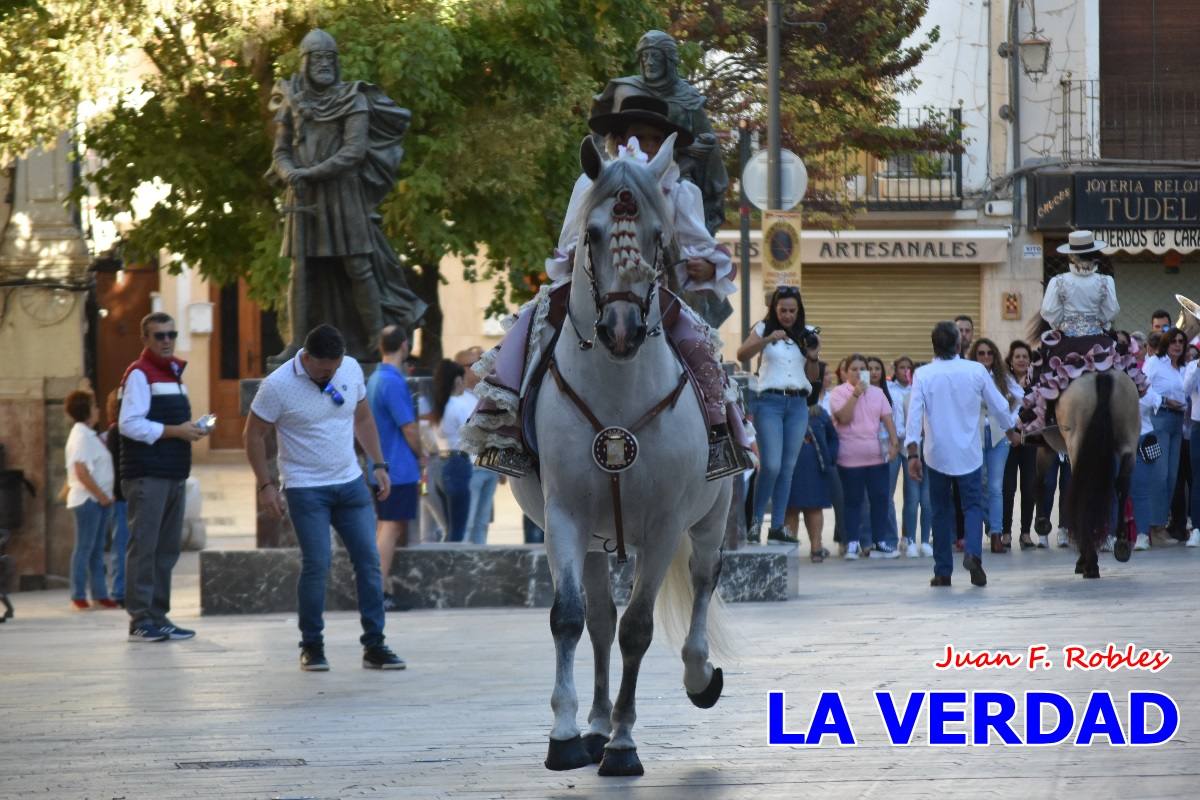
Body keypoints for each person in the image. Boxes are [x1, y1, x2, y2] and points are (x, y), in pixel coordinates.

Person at [465, 93, 747, 482]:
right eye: (638, 137)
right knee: (528, 327)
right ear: (619, 140)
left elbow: (697, 248)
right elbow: (567, 243)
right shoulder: (590, 182)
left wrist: (698, 266)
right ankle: (505, 430)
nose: (646, 146)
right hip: (589, 287)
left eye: (654, 139)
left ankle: (719, 437)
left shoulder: (682, 192)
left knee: (700, 346)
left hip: (655, 297)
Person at [245, 324, 405, 671]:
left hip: (350, 483)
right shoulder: (276, 386)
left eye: (334, 368)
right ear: (306, 357)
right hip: (305, 488)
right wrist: (266, 484)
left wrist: (378, 464)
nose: (329, 374)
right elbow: (254, 435)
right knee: (318, 563)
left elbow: (363, 418)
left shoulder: (348, 368)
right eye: (322, 369)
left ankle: (375, 644)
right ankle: (312, 645)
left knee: (369, 561)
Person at [270, 28, 425, 363]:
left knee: (358, 266)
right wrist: (289, 172)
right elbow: (280, 151)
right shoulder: (291, 100)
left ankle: (375, 341)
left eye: (330, 58)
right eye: (318, 58)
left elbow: (354, 151)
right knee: (301, 269)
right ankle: (296, 342)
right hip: (303, 197)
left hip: (344, 194)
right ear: (306, 62)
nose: (324, 64)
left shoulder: (353, 97)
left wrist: (308, 173)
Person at [905, 322, 1021, 587]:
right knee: (972, 506)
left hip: (936, 454)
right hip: (969, 452)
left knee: (940, 511)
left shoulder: (923, 374)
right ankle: (973, 554)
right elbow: (1000, 405)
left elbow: (914, 415)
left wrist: (912, 453)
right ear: (959, 345)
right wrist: (1011, 430)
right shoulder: (976, 371)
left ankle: (943, 571)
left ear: (933, 344)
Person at [119, 312, 208, 642]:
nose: (167, 340)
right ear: (145, 340)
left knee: (166, 549)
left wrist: (190, 430)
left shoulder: (172, 373)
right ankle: (140, 619)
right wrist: (175, 431)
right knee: (144, 547)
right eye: (159, 336)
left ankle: (158, 614)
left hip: (172, 473)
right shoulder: (140, 374)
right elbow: (129, 423)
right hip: (148, 475)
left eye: (171, 334)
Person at [592, 30, 730, 240]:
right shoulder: (625, 90)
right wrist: (604, 174)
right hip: (623, 178)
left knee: (688, 218)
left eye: (655, 56)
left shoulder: (688, 98)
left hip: (676, 176)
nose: (649, 62)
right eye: (644, 56)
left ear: (669, 60)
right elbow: (605, 139)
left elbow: (709, 148)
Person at [1020, 231, 1145, 434]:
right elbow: (1111, 311)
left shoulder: (1058, 281)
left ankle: (1044, 425)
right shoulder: (1106, 281)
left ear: (1071, 256)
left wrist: (1064, 324)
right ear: (1094, 254)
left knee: (1044, 377)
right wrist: (1097, 322)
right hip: (1100, 343)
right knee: (1125, 374)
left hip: (1066, 342)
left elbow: (1048, 312)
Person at [737, 286, 821, 543]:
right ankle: (754, 522)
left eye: (792, 310)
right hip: (769, 402)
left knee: (787, 468)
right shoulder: (763, 328)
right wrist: (767, 340)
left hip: (797, 404)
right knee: (770, 465)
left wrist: (814, 356)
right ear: (774, 309)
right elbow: (742, 355)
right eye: (782, 310)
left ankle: (777, 526)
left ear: (799, 311)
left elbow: (813, 378)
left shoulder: (809, 333)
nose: (787, 315)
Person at [366, 326, 423, 612]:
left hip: (378, 466)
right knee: (391, 528)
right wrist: (422, 455)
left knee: (383, 526)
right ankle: (374, 592)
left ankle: (380, 588)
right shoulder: (393, 382)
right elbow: (409, 428)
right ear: (404, 345)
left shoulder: (374, 379)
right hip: (398, 468)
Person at [829, 353, 900, 559]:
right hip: (850, 458)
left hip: (877, 456)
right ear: (845, 373)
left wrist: (895, 443)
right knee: (853, 501)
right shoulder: (839, 393)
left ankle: (879, 541)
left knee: (880, 499)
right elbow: (843, 417)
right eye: (854, 369)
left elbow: (887, 420)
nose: (859, 372)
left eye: (862, 369)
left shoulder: (878, 393)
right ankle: (852, 542)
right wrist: (856, 394)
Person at [64, 390, 119, 611]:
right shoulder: (80, 437)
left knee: (96, 550)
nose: (97, 410)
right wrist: (102, 496)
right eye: (94, 406)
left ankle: (100, 593)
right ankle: (77, 594)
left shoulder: (89, 434)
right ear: (86, 410)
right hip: (88, 501)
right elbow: (81, 471)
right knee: (84, 548)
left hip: (98, 501)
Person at [968, 338, 1023, 554]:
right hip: (975, 434)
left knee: (995, 486)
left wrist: (1012, 419)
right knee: (980, 482)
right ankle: (991, 524)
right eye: (981, 353)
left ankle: (997, 534)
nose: (985, 358)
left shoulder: (1002, 377)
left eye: (989, 353)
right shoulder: (969, 375)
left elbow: (1021, 398)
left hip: (1000, 435)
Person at [1142, 327, 1188, 546]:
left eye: (1181, 341)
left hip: (1178, 422)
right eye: (1173, 341)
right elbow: (1143, 387)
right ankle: (1154, 527)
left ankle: (1160, 525)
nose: (1177, 345)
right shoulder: (1154, 363)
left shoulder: (1184, 367)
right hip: (1159, 420)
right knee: (1159, 476)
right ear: (1166, 344)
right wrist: (1163, 400)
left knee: (1171, 476)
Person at [784, 378, 838, 562]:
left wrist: (830, 457)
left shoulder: (819, 414)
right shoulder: (784, 413)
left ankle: (816, 547)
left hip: (816, 466)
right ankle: (790, 549)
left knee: (813, 508)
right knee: (790, 509)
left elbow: (833, 438)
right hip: (791, 466)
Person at [457, 347, 498, 544]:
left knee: (482, 522)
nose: (482, 367)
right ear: (462, 369)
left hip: (488, 466)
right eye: (475, 363)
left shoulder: (482, 395)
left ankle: (480, 560)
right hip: (470, 468)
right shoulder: (457, 399)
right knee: (468, 521)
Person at [1002, 341, 1039, 550]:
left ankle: (1025, 532)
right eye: (1018, 356)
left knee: (1029, 486)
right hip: (1008, 440)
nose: (1022, 360)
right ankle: (1006, 532)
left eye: (1025, 356)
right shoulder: (1003, 383)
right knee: (1007, 488)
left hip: (1030, 439)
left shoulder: (1037, 384)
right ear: (1011, 360)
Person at [433, 359, 473, 543]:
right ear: (456, 381)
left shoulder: (438, 406)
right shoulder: (457, 405)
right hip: (458, 462)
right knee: (458, 529)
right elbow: (472, 431)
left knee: (449, 527)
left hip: (440, 463)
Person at [101, 389, 130, 606]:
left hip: (125, 495)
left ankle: (125, 588)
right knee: (120, 545)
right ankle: (119, 591)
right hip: (121, 497)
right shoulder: (116, 431)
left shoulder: (121, 430)